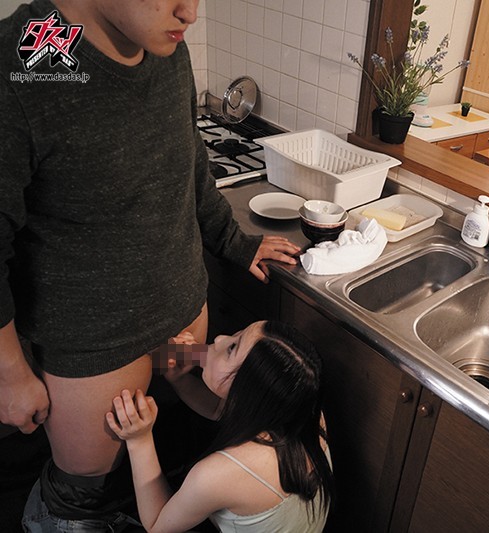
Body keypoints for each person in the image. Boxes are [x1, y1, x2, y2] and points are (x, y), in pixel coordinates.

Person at [0, 0, 300, 529]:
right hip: (94, 348)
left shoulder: (163, 44)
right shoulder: (25, 61)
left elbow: (189, 159)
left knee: (174, 462)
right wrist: (7, 373)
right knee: (83, 497)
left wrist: (234, 241)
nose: (191, 12)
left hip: (181, 319)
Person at [107, 321, 334, 533]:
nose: (219, 338)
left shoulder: (218, 474)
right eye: (237, 334)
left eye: (231, 348)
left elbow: (157, 525)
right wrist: (181, 374)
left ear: (246, 391)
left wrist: (139, 440)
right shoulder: (304, 411)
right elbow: (220, 409)